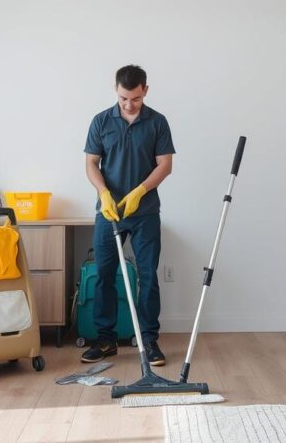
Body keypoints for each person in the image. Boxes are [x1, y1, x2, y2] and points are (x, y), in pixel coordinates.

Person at [82, 64, 175, 365]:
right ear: (116, 90)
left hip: (145, 212)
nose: (129, 104)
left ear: (145, 90)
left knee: (147, 275)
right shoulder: (101, 121)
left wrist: (140, 191)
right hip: (109, 212)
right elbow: (91, 163)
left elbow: (165, 165)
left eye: (135, 98)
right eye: (123, 98)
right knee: (104, 273)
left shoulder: (157, 122)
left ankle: (149, 341)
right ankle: (106, 340)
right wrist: (103, 193)